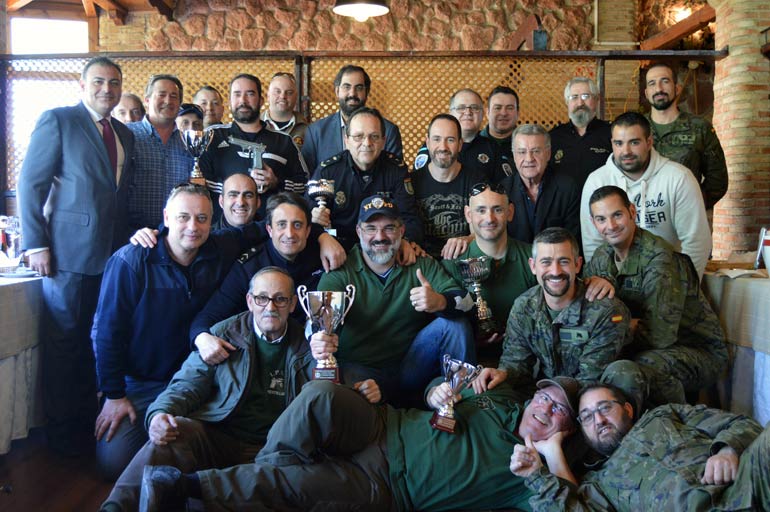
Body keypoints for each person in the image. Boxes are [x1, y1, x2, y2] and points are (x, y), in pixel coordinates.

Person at [98, 267, 380, 512]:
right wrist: (160, 413)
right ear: (249, 301)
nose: (271, 306)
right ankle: (115, 506)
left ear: (294, 304)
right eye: (262, 298)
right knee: (171, 433)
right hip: (220, 434)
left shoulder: (311, 344)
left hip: (275, 450)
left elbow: (326, 397)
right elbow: (187, 383)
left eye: (280, 299)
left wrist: (358, 392)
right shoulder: (224, 333)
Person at [138, 376, 580, 511]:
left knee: (305, 485)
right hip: (380, 425)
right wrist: (434, 393)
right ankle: (262, 478)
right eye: (543, 395)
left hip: (386, 487)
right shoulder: (502, 400)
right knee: (319, 395)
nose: (543, 407)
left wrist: (553, 455)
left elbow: (567, 506)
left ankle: (185, 487)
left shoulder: (534, 480)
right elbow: (434, 386)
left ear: (567, 429)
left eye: (557, 408)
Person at [92, 184, 257, 480]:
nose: (193, 227)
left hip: (197, 383)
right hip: (140, 384)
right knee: (112, 464)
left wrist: (321, 236)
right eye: (183, 217)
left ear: (212, 220)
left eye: (202, 219)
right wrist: (114, 395)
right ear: (166, 217)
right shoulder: (131, 261)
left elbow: (265, 230)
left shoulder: (220, 248)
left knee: (213, 453)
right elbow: (106, 334)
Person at [18, 56, 135, 457]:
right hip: (66, 255)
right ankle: (62, 438)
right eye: (99, 82)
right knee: (65, 343)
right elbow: (30, 184)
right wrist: (36, 244)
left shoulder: (124, 133)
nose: (107, 89)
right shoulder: (59, 120)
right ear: (82, 85)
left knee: (99, 340)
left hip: (112, 257)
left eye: (114, 82)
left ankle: (90, 426)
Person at [513, 382, 770, 512]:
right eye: (588, 417)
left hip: (745, 485)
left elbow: (739, 422)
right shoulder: (599, 483)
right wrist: (537, 475)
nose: (599, 420)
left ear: (627, 409)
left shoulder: (663, 415)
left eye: (604, 408)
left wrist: (727, 450)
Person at [315, 195, 473, 404]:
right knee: (345, 381)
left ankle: (454, 400)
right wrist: (320, 340)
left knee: (455, 325)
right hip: (360, 369)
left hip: (412, 365)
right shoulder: (340, 271)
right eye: (371, 228)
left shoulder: (420, 264)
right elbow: (319, 325)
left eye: (389, 228)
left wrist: (440, 302)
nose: (380, 236)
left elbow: (468, 302)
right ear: (358, 232)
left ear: (402, 231)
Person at [584, 185, 727, 404]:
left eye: (617, 215)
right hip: (640, 344)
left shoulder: (660, 259)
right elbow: (587, 311)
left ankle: (672, 425)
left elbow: (660, 336)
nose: (610, 226)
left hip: (695, 350)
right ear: (594, 223)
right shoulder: (602, 256)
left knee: (636, 367)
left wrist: (615, 325)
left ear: (632, 212)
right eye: (601, 219)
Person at [473, 227, 634, 399]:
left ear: (578, 264)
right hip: (543, 395)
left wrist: (544, 404)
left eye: (563, 261)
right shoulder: (523, 306)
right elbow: (516, 362)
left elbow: (591, 378)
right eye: (546, 262)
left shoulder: (606, 311)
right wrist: (503, 373)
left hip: (594, 401)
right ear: (533, 266)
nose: (555, 271)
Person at [190, 192, 329, 365]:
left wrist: (325, 237)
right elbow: (207, 317)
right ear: (269, 230)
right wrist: (201, 338)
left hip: (307, 354)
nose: (290, 233)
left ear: (308, 231)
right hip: (258, 358)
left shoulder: (323, 256)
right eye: (281, 225)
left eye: (297, 225)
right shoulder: (248, 268)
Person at [580, 111, 711, 278]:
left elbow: (697, 241)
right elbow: (593, 244)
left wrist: (685, 287)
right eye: (619, 143)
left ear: (649, 142)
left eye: (634, 142)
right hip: (614, 286)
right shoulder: (596, 181)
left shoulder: (679, 178)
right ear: (612, 143)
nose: (626, 151)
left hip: (667, 281)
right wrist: (602, 286)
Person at [307, 106, 423, 252]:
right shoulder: (328, 172)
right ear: (347, 140)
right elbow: (307, 216)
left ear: (383, 141)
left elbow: (409, 217)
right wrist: (319, 230)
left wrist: (407, 241)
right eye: (358, 136)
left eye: (374, 136)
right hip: (340, 250)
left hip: (385, 249)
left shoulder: (396, 170)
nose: (367, 143)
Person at [198, 73, 309, 223]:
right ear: (229, 101)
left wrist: (277, 182)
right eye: (237, 94)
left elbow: (304, 185)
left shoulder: (284, 141)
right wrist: (232, 188)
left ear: (261, 100)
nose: (243, 100)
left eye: (250, 94)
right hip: (220, 233)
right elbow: (198, 183)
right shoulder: (211, 137)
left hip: (269, 234)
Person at [441, 182, 537, 347]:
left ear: (510, 212)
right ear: (468, 214)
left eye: (498, 209)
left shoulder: (533, 257)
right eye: (481, 210)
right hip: (471, 357)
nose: (489, 219)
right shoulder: (452, 262)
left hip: (526, 352)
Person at [644, 62, 728, 209]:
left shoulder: (699, 128)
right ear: (646, 93)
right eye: (652, 83)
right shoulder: (636, 128)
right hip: (644, 218)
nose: (658, 89)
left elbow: (717, 180)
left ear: (677, 88)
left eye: (665, 81)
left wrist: (693, 205)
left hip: (685, 222)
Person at [411, 114, 485, 258]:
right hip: (422, 261)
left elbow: (485, 228)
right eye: (436, 139)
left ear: (460, 144)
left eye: (450, 140)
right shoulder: (411, 182)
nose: (443, 147)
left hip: (463, 259)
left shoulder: (477, 181)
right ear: (427, 142)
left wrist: (469, 239)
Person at [301, 64, 403, 170]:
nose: (352, 93)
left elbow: (395, 173)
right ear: (337, 91)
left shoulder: (389, 131)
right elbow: (308, 177)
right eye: (347, 87)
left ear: (367, 92)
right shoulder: (316, 132)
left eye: (359, 88)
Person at [126, 73, 193, 230]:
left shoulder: (188, 143)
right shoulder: (128, 135)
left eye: (174, 96)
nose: (168, 101)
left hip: (175, 234)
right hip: (133, 233)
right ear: (147, 100)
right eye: (161, 95)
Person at [500, 123, 581, 244]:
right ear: (514, 155)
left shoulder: (567, 189)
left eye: (536, 151)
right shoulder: (502, 191)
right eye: (522, 152)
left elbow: (572, 240)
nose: (529, 159)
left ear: (548, 154)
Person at [413, 88, 504, 182]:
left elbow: (504, 188)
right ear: (451, 113)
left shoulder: (493, 148)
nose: (468, 112)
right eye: (461, 108)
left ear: (483, 113)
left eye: (474, 108)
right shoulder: (434, 148)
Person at [549, 77, 612, 191]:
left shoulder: (611, 133)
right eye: (574, 97)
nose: (580, 103)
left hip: (601, 205)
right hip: (564, 207)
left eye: (585, 96)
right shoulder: (554, 137)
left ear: (596, 100)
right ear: (567, 102)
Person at [260, 72, 309, 148]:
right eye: (277, 91)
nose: (283, 96)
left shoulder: (308, 130)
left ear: (296, 97)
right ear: (268, 95)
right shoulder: (254, 125)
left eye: (289, 92)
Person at [480, 85, 519, 163]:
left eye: (510, 108)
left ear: (518, 113)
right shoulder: (474, 144)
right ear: (487, 112)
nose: (504, 113)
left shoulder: (527, 146)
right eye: (497, 108)